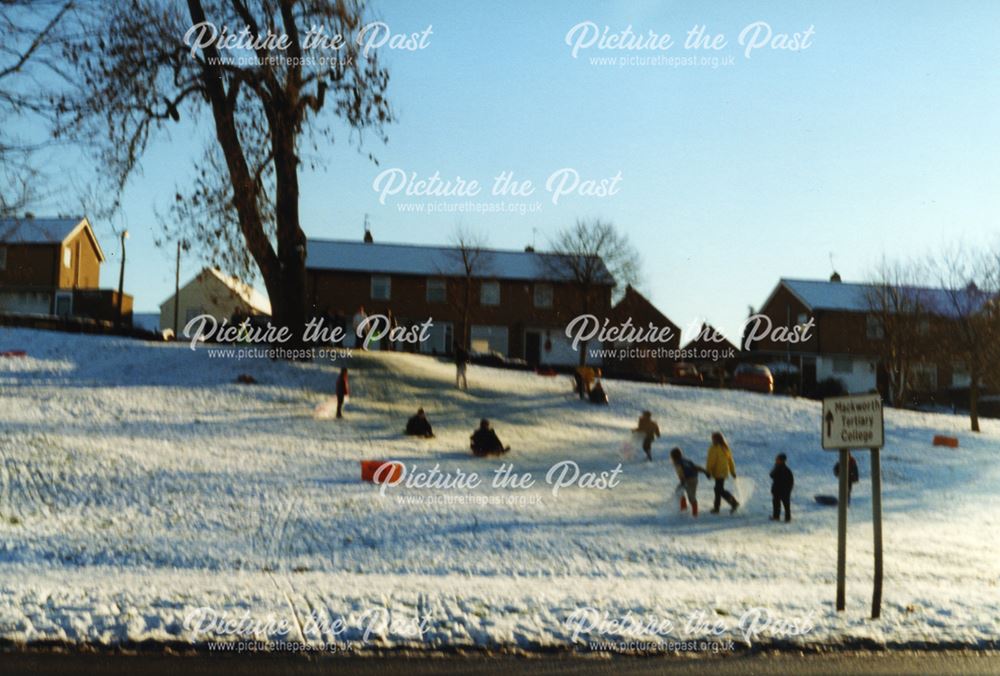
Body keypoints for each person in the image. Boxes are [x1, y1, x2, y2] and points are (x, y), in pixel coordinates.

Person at [670, 447, 710, 517]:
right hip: (693, 479)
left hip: (688, 480)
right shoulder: (687, 461)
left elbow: (680, 471)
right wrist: (704, 471)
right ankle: (684, 509)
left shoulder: (677, 463)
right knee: (679, 492)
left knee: (689, 496)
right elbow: (695, 467)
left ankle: (693, 513)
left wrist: (682, 480)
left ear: (673, 456)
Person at [706, 431, 739, 514]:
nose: (712, 440)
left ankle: (734, 503)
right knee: (718, 490)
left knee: (719, 489)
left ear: (718, 439)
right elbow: (730, 460)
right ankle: (717, 507)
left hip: (721, 472)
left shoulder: (717, 448)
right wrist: (732, 471)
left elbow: (711, 461)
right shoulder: (723, 447)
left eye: (713, 438)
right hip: (720, 472)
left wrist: (733, 471)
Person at [770, 453, 794, 522]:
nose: (776, 460)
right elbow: (771, 475)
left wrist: (788, 489)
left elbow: (772, 475)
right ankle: (781, 517)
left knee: (784, 504)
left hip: (782, 490)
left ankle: (784, 517)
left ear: (781, 460)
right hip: (779, 490)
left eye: (777, 459)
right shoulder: (782, 468)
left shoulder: (783, 469)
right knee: (778, 504)